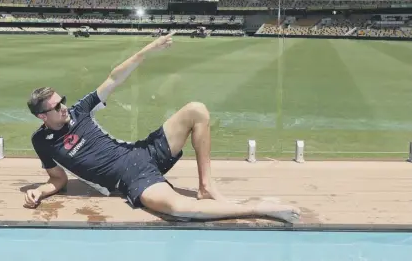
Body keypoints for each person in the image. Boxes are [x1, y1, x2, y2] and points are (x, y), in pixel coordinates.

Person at [24, 31, 301, 223]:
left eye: (63, 101)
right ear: (42, 117)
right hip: (131, 180)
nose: (64, 107)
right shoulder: (42, 142)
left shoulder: (80, 110)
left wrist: (149, 49)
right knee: (180, 208)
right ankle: (257, 209)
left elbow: (114, 78)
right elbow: (58, 179)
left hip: (141, 153)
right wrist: (41, 191)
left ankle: (206, 186)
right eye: (57, 107)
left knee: (196, 110)